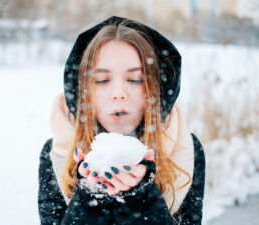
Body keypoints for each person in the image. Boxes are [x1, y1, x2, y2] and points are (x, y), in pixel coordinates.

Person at [38, 16, 205, 225]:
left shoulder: (184, 149)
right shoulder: (58, 153)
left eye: (136, 79)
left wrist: (143, 199)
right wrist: (90, 198)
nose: (119, 93)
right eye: (102, 80)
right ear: (84, 92)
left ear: (154, 89)